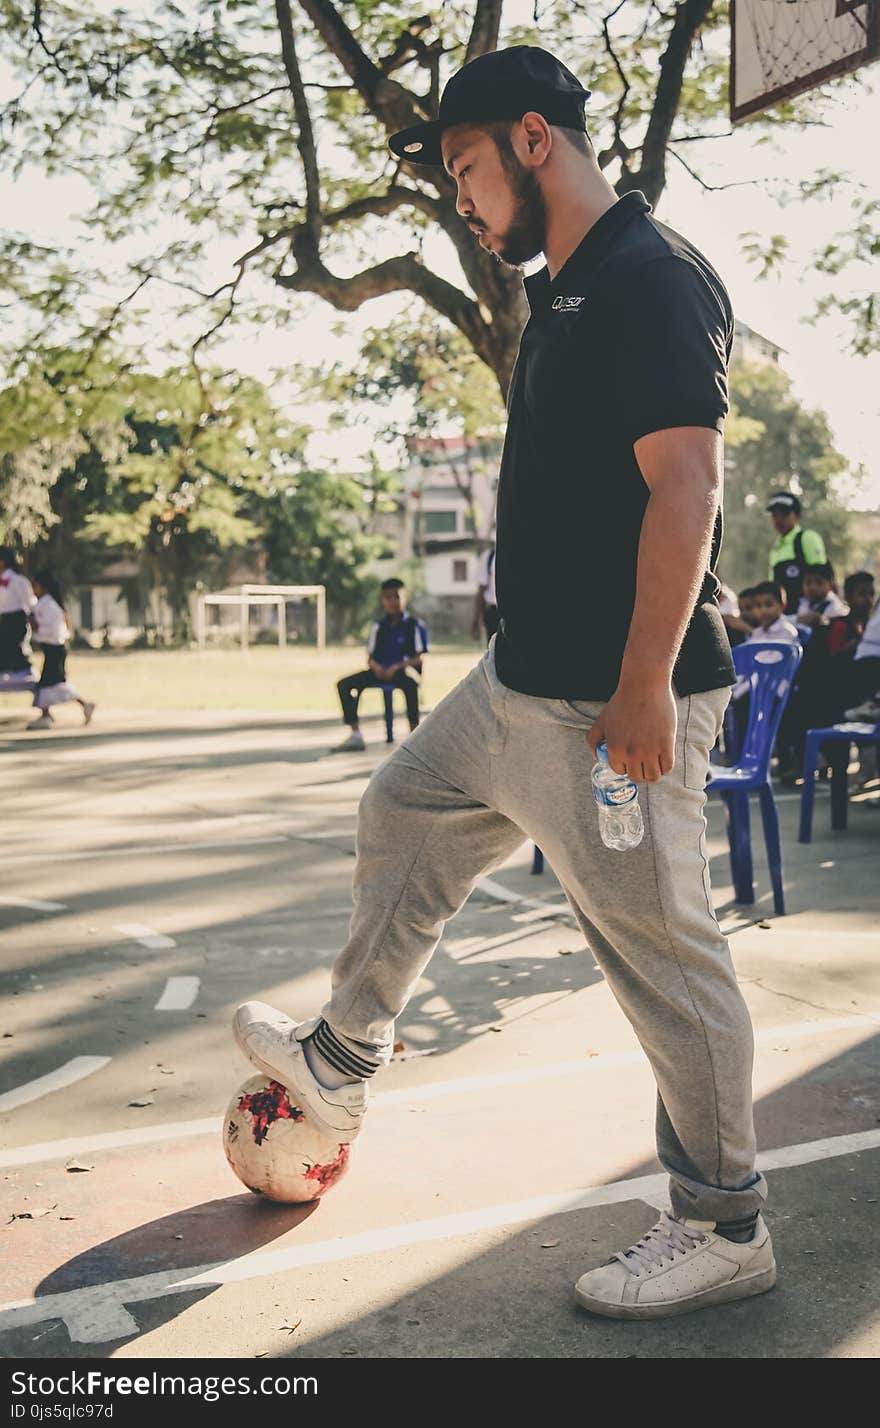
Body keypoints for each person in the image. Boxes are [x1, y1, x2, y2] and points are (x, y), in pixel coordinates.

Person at [235, 45, 776, 1320]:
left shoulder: (649, 277)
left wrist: (645, 684)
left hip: (609, 704)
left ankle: (724, 1222)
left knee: (662, 959)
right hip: (515, 687)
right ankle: (344, 1054)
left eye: (467, 171)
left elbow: (686, 488)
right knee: (404, 808)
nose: (463, 204)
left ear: (535, 139)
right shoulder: (565, 290)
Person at [331, 579, 428, 753]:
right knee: (344, 684)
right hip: (379, 671)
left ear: (404, 598)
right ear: (383, 600)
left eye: (396, 597)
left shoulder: (413, 625)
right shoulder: (379, 626)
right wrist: (376, 667)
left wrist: (397, 666)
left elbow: (418, 657)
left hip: (402, 671)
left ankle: (415, 735)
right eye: (388, 598)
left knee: (411, 685)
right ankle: (355, 734)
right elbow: (370, 657)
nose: (392, 602)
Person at [27, 571, 96, 730]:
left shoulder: (48, 605)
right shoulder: (44, 603)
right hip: (52, 648)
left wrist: (35, 627)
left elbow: (51, 629)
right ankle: (79, 706)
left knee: (48, 683)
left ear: (43, 587)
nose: (33, 590)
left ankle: (48, 715)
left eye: (35, 586)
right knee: (53, 682)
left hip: (54, 648)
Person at [766, 493, 826, 613]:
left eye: (784, 514)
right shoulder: (776, 548)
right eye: (774, 515)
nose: (778, 520)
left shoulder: (807, 538)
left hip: (808, 612)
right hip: (785, 614)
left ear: (796, 516)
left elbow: (821, 577)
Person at [0, 546, 36, 674]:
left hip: (16, 621)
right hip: (3, 620)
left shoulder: (18, 581)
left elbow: (30, 603)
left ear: (2, 562)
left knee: (14, 651)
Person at [796, 562, 848, 628]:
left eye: (819, 582)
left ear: (830, 585)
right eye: (808, 582)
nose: (812, 587)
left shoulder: (835, 608)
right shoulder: (802, 602)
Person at [746, 581, 800, 645]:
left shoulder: (787, 632)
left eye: (769, 605)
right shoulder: (757, 633)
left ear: (782, 605)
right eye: (758, 606)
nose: (763, 610)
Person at [470, 545, 499, 643]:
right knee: (494, 651)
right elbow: (481, 591)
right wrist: (476, 620)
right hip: (493, 613)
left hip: (514, 613)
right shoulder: (489, 557)